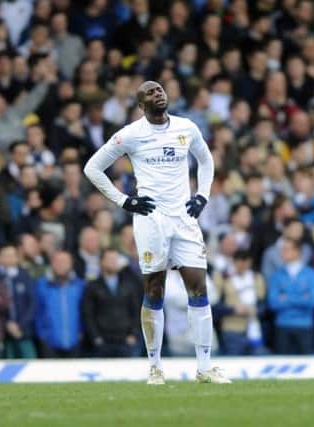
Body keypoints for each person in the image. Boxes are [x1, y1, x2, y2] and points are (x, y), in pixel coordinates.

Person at [84, 80, 229, 384]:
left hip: (184, 218)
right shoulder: (129, 135)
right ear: (141, 105)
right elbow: (93, 168)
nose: (157, 93)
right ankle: (155, 367)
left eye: (160, 89)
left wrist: (202, 194)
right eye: (150, 92)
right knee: (155, 291)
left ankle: (204, 368)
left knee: (199, 289)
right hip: (151, 219)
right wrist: (125, 201)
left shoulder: (187, 127)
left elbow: (205, 159)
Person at [82, 248, 140, 358]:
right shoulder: (92, 286)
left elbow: (136, 311)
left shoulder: (129, 285)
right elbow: (88, 314)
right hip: (102, 341)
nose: (113, 262)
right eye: (109, 259)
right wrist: (95, 337)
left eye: (115, 259)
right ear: (101, 262)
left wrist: (133, 334)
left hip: (125, 340)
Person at [267, 238, 314, 355]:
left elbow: (313, 301)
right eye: (282, 249)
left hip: (305, 325)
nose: (282, 253)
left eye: (286, 249)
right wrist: (301, 297)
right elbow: (273, 302)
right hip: (282, 324)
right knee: (281, 366)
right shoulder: (276, 275)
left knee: (307, 366)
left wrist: (286, 297)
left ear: (298, 251)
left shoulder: (311, 274)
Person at [215, 250, 266, 355]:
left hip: (253, 326)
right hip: (232, 328)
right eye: (239, 262)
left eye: (245, 262)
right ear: (233, 262)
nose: (242, 265)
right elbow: (215, 305)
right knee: (234, 363)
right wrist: (233, 310)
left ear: (250, 262)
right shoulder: (223, 277)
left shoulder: (256, 277)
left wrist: (257, 310)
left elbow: (263, 304)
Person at [35, 251, 85, 358]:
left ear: (71, 264)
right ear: (51, 264)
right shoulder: (41, 285)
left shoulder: (80, 286)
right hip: (49, 344)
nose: (60, 265)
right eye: (57, 261)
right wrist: (42, 336)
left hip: (75, 343)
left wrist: (82, 332)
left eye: (64, 262)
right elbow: (37, 312)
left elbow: (85, 312)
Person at [0, 244, 37, 359]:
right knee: (8, 368)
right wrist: (7, 324)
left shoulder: (26, 277)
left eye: (12, 255)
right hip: (5, 332)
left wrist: (20, 325)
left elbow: (33, 304)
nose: (9, 258)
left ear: (17, 257)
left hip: (24, 331)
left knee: (30, 363)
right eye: (5, 255)